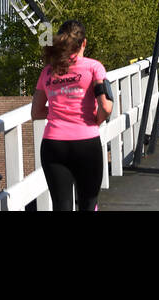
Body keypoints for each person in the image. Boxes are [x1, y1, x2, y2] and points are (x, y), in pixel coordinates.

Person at [31, 19, 113, 211]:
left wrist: (58, 113)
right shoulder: (94, 67)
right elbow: (106, 107)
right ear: (84, 43)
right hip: (86, 143)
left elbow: (36, 112)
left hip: (53, 145)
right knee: (88, 203)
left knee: (62, 206)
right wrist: (96, 119)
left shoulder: (48, 72)